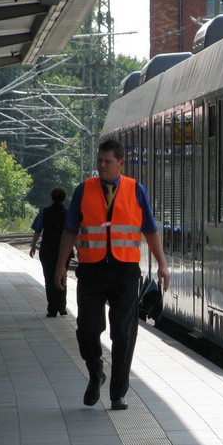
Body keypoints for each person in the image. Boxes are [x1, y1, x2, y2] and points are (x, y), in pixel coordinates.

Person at [55, 139, 170, 411]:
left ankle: (118, 393)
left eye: (107, 162)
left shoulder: (136, 190)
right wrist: (60, 266)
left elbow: (150, 230)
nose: (102, 166)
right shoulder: (84, 190)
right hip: (91, 270)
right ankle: (96, 370)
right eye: (99, 161)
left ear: (121, 163)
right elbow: (70, 230)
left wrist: (162, 264)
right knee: (87, 329)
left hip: (125, 272)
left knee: (123, 333)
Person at [30, 187, 72, 317]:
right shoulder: (68, 214)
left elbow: (37, 230)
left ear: (52, 197)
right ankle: (62, 307)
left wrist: (33, 246)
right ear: (64, 198)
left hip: (47, 250)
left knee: (49, 278)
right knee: (62, 276)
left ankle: (52, 308)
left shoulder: (44, 212)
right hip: (64, 250)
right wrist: (77, 248)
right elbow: (72, 233)